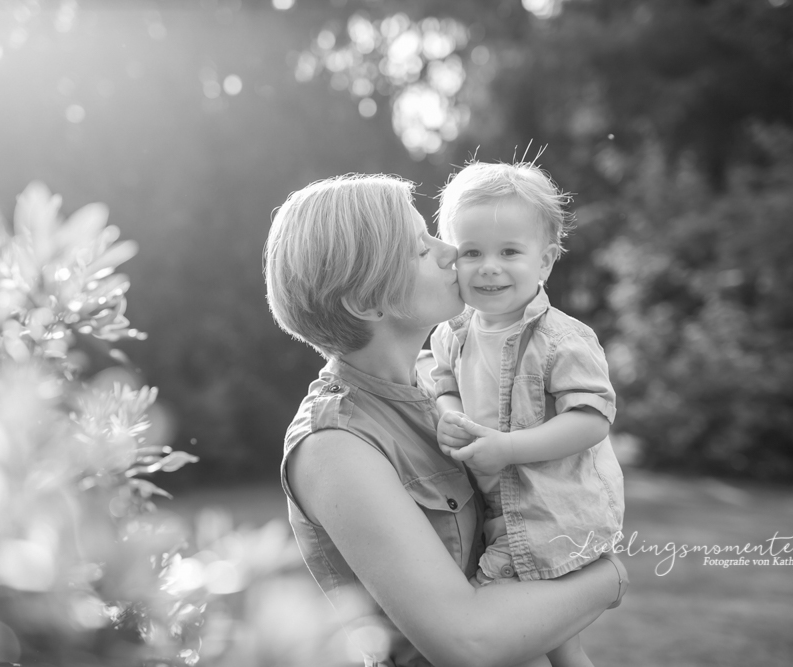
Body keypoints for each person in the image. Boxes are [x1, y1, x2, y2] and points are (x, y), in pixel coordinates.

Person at [264, 173, 627, 667]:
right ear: (366, 301)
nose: (449, 252)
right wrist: (608, 578)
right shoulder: (335, 445)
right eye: (419, 249)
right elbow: (468, 643)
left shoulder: (442, 391)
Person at [429, 162, 625, 667]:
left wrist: (508, 448)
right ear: (451, 258)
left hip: (548, 509)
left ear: (545, 262)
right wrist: (449, 412)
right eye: (471, 252)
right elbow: (443, 383)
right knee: (557, 645)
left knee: (483, 613)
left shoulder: (562, 339)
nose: (488, 266)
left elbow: (591, 419)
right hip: (493, 506)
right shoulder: (452, 333)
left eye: (509, 252)